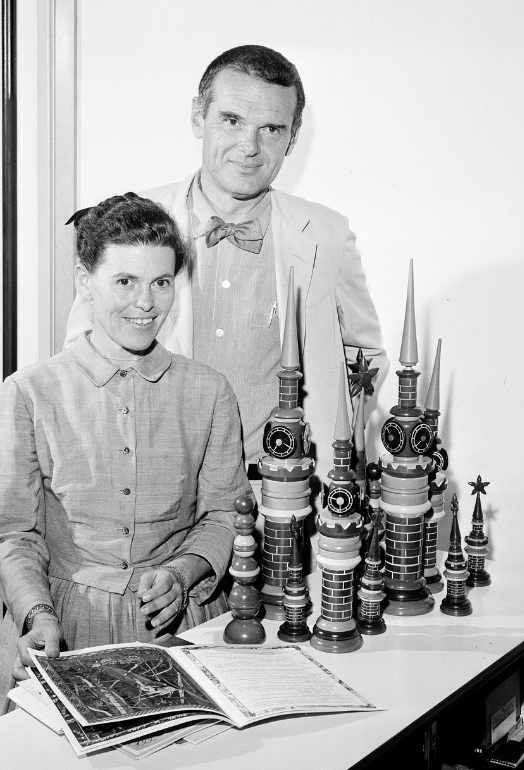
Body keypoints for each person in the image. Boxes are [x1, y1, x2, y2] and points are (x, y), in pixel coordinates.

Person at [0, 194, 251, 720]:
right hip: (61, 629)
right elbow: (8, 533)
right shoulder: (29, 393)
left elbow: (223, 516)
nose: (146, 303)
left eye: (162, 282)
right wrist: (37, 615)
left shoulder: (210, 392)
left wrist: (184, 571)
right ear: (85, 280)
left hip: (179, 627)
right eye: (124, 281)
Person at [65, 45, 386, 489]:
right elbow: (81, 354)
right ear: (199, 116)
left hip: (282, 493)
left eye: (271, 128)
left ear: (292, 138)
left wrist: (331, 443)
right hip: (155, 490)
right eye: (232, 120)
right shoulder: (134, 220)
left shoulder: (326, 234)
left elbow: (364, 356)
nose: (249, 147)